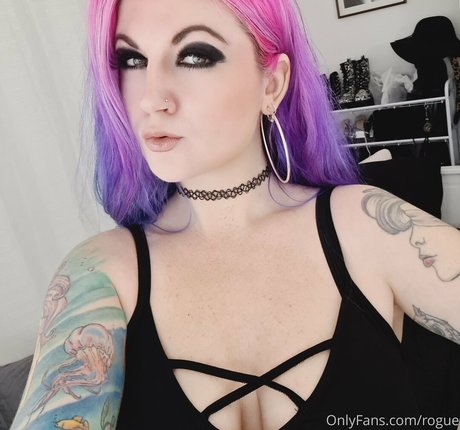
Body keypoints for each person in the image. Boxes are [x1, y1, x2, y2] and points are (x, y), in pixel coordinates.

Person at [10, 0, 460, 429]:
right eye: (131, 59)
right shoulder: (100, 272)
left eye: (195, 55)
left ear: (272, 84)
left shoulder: (364, 226)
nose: (151, 98)